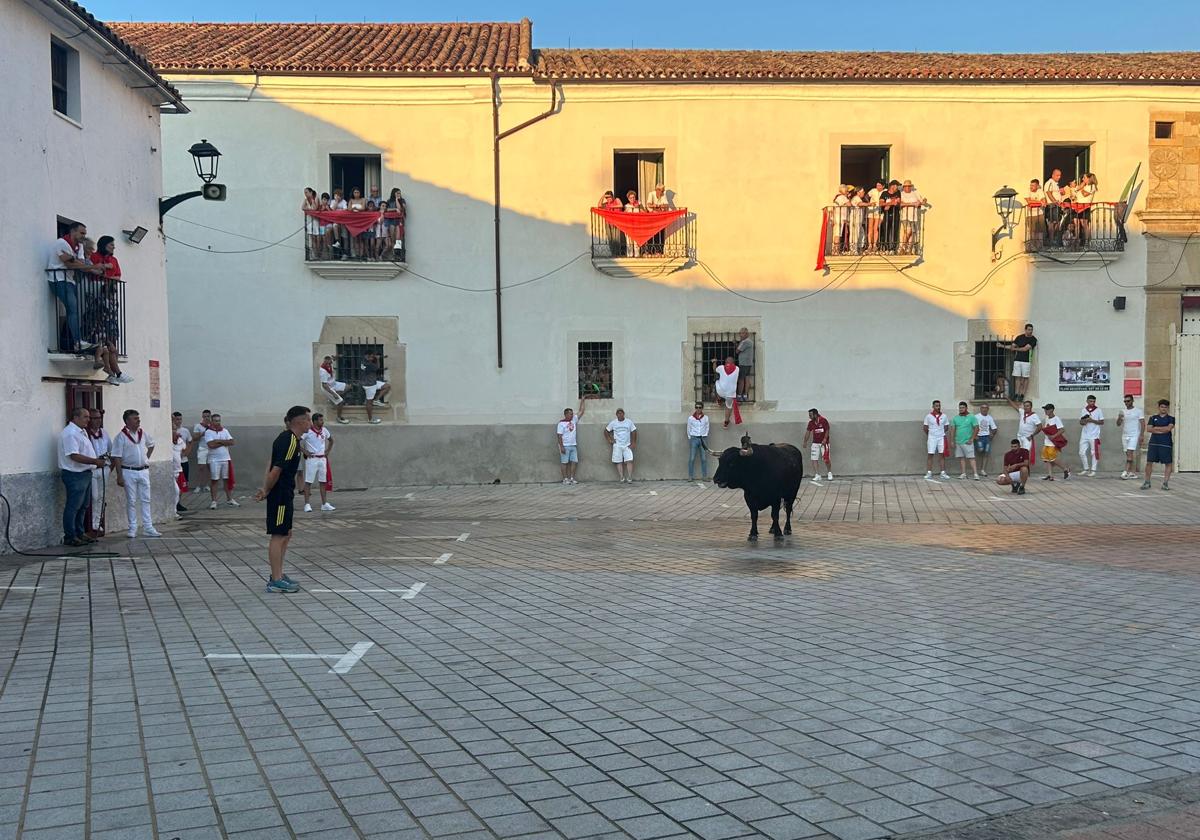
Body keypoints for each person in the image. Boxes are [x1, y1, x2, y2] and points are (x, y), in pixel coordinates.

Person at [254, 406, 312, 594]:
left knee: (286, 533)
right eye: (308, 420)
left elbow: (270, 463)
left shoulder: (289, 439)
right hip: (280, 495)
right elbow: (276, 469)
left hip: (285, 493)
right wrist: (266, 490)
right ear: (300, 421)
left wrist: (265, 488)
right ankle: (275, 580)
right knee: (278, 535)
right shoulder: (288, 441)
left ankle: (278, 574)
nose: (310, 424)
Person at [48, 222, 103, 354]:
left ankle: (75, 341)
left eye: (85, 233)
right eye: (82, 233)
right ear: (73, 231)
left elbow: (80, 263)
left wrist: (81, 264)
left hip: (69, 281)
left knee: (73, 310)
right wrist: (92, 267)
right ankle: (78, 342)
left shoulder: (79, 246)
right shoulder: (61, 243)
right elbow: (71, 264)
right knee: (72, 308)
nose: (84, 236)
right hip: (58, 279)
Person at [87, 236, 133, 385]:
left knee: (112, 348)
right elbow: (91, 271)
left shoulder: (114, 260)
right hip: (97, 296)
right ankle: (115, 373)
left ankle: (115, 373)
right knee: (107, 347)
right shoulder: (94, 256)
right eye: (111, 244)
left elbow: (118, 275)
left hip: (107, 324)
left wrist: (107, 271)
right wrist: (103, 269)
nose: (114, 247)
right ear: (104, 245)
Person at [110, 409, 161, 539]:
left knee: (146, 499)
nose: (138, 420)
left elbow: (151, 444)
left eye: (138, 418)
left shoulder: (142, 433)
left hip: (143, 470)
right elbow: (117, 457)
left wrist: (146, 458)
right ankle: (132, 527)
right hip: (128, 471)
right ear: (127, 421)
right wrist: (119, 475)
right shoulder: (120, 437)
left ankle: (148, 526)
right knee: (131, 501)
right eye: (135, 418)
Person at [59, 407, 104, 546]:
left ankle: (80, 532)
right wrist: (95, 461)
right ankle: (70, 535)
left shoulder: (81, 431)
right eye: (85, 417)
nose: (88, 420)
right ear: (75, 417)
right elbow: (74, 455)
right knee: (73, 506)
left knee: (83, 505)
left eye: (88, 417)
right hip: (74, 474)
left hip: (85, 473)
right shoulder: (70, 433)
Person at [84, 409, 112, 537]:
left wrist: (109, 468)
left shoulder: (104, 433)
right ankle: (89, 524)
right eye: (94, 418)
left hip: (104, 469)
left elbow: (111, 451)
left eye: (99, 418)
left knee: (101, 497)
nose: (97, 420)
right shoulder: (85, 434)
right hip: (92, 470)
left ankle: (96, 523)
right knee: (94, 497)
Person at [301, 412, 336, 512]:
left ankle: (324, 503)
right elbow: (297, 441)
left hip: (322, 459)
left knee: (323, 481)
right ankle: (307, 504)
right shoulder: (308, 431)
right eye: (320, 420)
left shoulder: (324, 430)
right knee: (308, 481)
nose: (322, 422)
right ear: (315, 421)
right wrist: (305, 451)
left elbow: (331, 440)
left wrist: (328, 451)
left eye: (322, 419)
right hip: (312, 459)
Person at [203, 414, 238, 508]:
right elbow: (211, 445)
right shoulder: (208, 432)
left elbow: (232, 442)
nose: (217, 423)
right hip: (214, 460)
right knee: (215, 480)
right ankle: (214, 501)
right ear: (211, 422)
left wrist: (218, 441)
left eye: (219, 421)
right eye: (215, 421)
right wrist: (223, 442)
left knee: (226, 479)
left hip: (225, 458)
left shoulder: (225, 430)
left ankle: (229, 499)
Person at [1142, 399, 1175, 491]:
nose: (1163, 409)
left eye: (1165, 407)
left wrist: (1156, 428)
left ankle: (1165, 483)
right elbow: (1149, 429)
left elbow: (1168, 429)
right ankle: (1147, 482)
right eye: (1162, 407)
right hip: (1154, 443)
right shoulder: (1153, 418)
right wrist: (1161, 430)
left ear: (1167, 408)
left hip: (1166, 444)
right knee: (1149, 462)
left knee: (1168, 463)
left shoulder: (1171, 418)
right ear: (1159, 407)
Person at [556, 398, 587, 485]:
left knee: (574, 462)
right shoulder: (561, 424)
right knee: (564, 462)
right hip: (565, 445)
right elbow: (559, 436)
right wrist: (561, 446)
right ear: (565, 414)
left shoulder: (574, 420)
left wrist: (582, 401)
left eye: (572, 413)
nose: (572, 415)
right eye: (570, 414)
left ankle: (572, 478)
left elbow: (581, 411)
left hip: (573, 445)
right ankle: (565, 479)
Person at [1003, 323, 1037, 400]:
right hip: (1017, 360)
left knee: (1025, 378)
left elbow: (1025, 349)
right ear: (1025, 330)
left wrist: (1014, 349)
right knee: (1017, 377)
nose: (1030, 331)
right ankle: (1016, 393)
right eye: (1029, 329)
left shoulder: (1033, 339)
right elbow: (1012, 346)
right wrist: (1003, 346)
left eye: (1031, 330)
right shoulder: (1019, 337)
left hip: (1026, 361)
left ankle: (1022, 394)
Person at [1117, 394, 1146, 479]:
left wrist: (1141, 435)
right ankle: (1132, 472)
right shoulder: (1123, 411)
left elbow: (1142, 423)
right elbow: (1118, 424)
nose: (1126, 403)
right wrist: (1119, 418)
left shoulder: (1138, 411)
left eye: (1128, 401)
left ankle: (1125, 471)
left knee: (1130, 453)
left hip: (1134, 435)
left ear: (1132, 401)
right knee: (1128, 455)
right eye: (1125, 401)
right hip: (1125, 435)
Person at [1039, 404, 1071, 481]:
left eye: (1046, 409)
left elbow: (1062, 429)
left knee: (1052, 459)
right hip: (1046, 441)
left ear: (1051, 410)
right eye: (1045, 409)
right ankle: (1050, 475)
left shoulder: (1056, 419)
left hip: (1052, 442)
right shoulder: (1047, 418)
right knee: (1047, 459)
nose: (1045, 411)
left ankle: (1066, 469)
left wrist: (1054, 436)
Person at [605, 408, 637, 482]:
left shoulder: (629, 422)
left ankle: (629, 477)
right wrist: (610, 440)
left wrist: (633, 443)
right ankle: (621, 477)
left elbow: (634, 431)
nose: (620, 415)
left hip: (627, 445)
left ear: (623, 414)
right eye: (618, 413)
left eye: (621, 413)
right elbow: (606, 431)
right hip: (617, 445)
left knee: (629, 460)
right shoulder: (613, 423)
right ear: (616, 415)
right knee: (618, 461)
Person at [950, 401, 979, 480]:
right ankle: (963, 473)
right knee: (961, 457)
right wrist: (952, 441)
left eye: (962, 408)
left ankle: (975, 474)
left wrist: (972, 438)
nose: (961, 409)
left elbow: (976, 428)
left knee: (971, 458)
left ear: (966, 408)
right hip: (959, 441)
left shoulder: (971, 417)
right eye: (960, 408)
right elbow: (952, 429)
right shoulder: (955, 418)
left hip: (967, 441)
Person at [803, 407, 833, 484]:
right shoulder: (811, 423)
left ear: (815, 415)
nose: (809, 417)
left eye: (811, 415)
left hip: (824, 443)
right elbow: (808, 432)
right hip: (815, 443)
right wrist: (805, 441)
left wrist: (825, 439)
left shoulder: (823, 420)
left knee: (826, 459)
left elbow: (827, 430)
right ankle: (817, 475)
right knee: (814, 459)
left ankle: (829, 473)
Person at [899, 180, 929, 255]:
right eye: (906, 186)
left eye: (909, 186)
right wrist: (912, 204)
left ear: (911, 187)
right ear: (904, 187)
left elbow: (922, 201)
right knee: (908, 231)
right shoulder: (901, 194)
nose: (907, 188)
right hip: (905, 216)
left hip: (914, 216)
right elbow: (900, 204)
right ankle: (902, 247)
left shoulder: (915, 193)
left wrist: (923, 201)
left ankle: (909, 248)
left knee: (912, 232)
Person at [923, 400, 951, 480]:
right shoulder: (928, 416)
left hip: (941, 438)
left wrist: (940, 433)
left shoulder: (944, 416)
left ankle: (942, 472)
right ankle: (929, 472)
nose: (938, 407)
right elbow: (925, 428)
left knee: (941, 455)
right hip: (932, 438)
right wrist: (932, 434)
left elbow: (946, 427)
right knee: (930, 454)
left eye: (939, 406)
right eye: (936, 406)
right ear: (933, 406)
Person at [317, 356, 349, 423]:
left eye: (330, 362)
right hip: (328, 388)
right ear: (325, 362)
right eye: (328, 363)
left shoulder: (330, 362)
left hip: (334, 384)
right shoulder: (323, 371)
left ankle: (333, 400)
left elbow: (334, 358)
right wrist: (333, 394)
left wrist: (338, 356)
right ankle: (339, 417)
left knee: (348, 387)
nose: (330, 364)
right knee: (340, 402)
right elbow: (324, 385)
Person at [1078, 394, 1104, 476]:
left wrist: (1092, 420)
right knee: (1081, 452)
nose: (1092, 403)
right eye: (1090, 401)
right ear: (1087, 401)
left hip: (1094, 435)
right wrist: (1085, 421)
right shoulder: (1083, 410)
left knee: (1094, 453)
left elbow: (1102, 422)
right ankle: (1086, 468)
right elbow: (1081, 422)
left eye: (1093, 401)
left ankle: (1093, 470)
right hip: (1084, 434)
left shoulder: (1098, 410)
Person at [360, 352, 390, 424]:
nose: (372, 358)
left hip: (371, 382)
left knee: (387, 386)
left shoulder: (363, 362)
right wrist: (378, 359)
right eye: (371, 357)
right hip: (370, 385)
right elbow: (377, 367)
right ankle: (370, 419)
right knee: (369, 402)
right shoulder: (370, 365)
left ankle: (376, 400)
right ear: (367, 357)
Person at [170, 412, 191, 513]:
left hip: (182, 463)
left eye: (179, 419)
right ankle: (173, 506)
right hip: (172, 466)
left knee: (181, 485)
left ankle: (178, 503)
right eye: (176, 419)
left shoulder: (185, 431)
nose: (178, 421)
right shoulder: (168, 433)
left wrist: (185, 453)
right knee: (174, 488)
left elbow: (189, 443)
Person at [713, 356, 741, 428]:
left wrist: (714, 362)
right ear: (734, 363)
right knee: (728, 406)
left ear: (725, 362)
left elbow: (714, 369)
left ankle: (719, 400)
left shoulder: (721, 368)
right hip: (731, 394)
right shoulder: (737, 369)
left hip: (721, 391)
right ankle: (726, 422)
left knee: (716, 382)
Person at [1016, 399, 1043, 469]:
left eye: (1027, 406)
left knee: (1025, 454)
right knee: (1018, 453)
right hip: (1019, 436)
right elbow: (1015, 406)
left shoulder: (1034, 416)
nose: (1025, 407)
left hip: (1027, 438)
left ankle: (1026, 470)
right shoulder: (1022, 413)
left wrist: (1032, 435)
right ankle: (1019, 469)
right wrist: (1007, 398)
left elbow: (1040, 426)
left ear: (1031, 407)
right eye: (1024, 406)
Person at [687, 402, 710, 481]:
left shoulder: (705, 418)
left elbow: (707, 427)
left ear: (702, 408)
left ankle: (704, 476)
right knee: (692, 458)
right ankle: (690, 476)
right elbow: (688, 428)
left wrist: (705, 435)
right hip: (694, 438)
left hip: (703, 438)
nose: (698, 409)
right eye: (696, 407)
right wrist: (690, 437)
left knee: (703, 458)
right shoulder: (691, 418)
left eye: (700, 407)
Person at [191, 409, 212, 494]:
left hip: (211, 449)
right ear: (202, 417)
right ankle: (199, 486)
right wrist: (202, 433)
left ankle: (207, 485)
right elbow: (195, 438)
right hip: (202, 449)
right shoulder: (198, 426)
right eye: (205, 416)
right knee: (201, 467)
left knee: (210, 467)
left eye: (208, 416)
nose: (206, 418)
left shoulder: (213, 425)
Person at [973, 403, 998, 476]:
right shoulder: (976, 417)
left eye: (986, 408)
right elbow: (972, 426)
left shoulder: (989, 417)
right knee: (980, 450)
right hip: (979, 437)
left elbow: (994, 428)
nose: (984, 409)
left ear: (988, 409)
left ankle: (982, 470)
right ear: (980, 409)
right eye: (983, 408)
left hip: (986, 437)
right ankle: (975, 469)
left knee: (986, 453)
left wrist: (992, 434)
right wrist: (974, 436)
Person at [878, 180, 902, 253]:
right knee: (886, 231)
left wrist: (888, 204)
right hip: (887, 215)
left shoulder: (898, 193)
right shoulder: (884, 193)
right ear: (893, 186)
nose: (897, 187)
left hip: (896, 214)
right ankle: (886, 248)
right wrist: (890, 203)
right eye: (896, 186)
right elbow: (881, 203)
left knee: (895, 231)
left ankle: (893, 248)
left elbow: (897, 201)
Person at [1044, 168, 1064, 246]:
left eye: (1060, 175)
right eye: (1057, 175)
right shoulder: (1049, 183)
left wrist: (1062, 193)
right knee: (1052, 223)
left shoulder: (1056, 184)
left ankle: (1055, 239)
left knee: (1057, 223)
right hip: (1052, 206)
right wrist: (1055, 201)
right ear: (1053, 175)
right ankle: (1051, 240)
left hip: (1057, 205)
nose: (1059, 177)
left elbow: (1057, 194)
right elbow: (1048, 193)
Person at [1025, 179, 1045, 250]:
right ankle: (1033, 246)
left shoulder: (1040, 191)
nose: (1031, 187)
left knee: (1040, 231)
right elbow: (1028, 201)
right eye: (1031, 185)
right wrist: (1038, 202)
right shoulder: (1027, 191)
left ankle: (1040, 246)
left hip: (1040, 213)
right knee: (1032, 231)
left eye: (1033, 185)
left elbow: (1044, 201)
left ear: (1037, 186)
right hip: (1030, 215)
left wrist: (1037, 202)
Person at [866, 179, 885, 254]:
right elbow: (866, 196)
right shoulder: (873, 190)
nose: (878, 187)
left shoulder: (885, 191)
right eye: (877, 185)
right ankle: (870, 244)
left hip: (879, 211)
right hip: (872, 210)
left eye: (879, 185)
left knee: (876, 228)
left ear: (883, 186)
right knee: (870, 227)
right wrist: (869, 203)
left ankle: (875, 244)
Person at [736, 328, 754, 401]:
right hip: (748, 363)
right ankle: (745, 395)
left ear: (747, 334)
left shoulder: (745, 342)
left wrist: (737, 343)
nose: (740, 335)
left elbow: (737, 351)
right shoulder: (749, 341)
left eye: (742, 333)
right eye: (740, 333)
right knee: (746, 379)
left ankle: (739, 395)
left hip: (743, 363)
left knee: (741, 379)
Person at [302, 187, 321, 258]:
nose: (305, 194)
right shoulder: (306, 200)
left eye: (306, 192)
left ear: (310, 192)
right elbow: (302, 207)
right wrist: (309, 209)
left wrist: (312, 200)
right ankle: (314, 254)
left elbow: (315, 208)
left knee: (317, 237)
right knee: (312, 237)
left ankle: (318, 253)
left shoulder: (315, 198)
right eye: (304, 193)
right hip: (309, 220)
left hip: (316, 220)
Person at [623, 190, 642, 257]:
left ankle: (637, 255)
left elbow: (644, 212)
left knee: (636, 240)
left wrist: (639, 206)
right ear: (628, 199)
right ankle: (630, 255)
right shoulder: (626, 206)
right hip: (628, 225)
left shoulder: (639, 204)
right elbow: (623, 215)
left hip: (637, 225)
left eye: (633, 197)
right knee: (629, 241)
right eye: (631, 198)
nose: (632, 199)